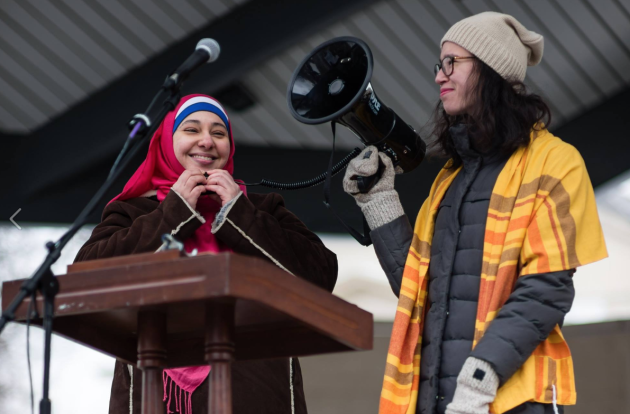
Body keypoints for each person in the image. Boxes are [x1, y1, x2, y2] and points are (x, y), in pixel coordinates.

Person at [343, 12, 607, 414]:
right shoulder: (449, 179)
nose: (439, 76)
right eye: (439, 63)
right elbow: (417, 294)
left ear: (490, 69)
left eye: (453, 62)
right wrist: (379, 204)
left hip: (510, 401)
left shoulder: (556, 162)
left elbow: (546, 290)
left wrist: (481, 376)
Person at [74, 94, 338, 414]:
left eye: (218, 133)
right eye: (191, 129)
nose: (206, 141)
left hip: (260, 397)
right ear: (167, 142)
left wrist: (238, 213)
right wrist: (174, 212)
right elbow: (86, 278)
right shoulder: (133, 212)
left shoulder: (263, 208)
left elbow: (320, 276)